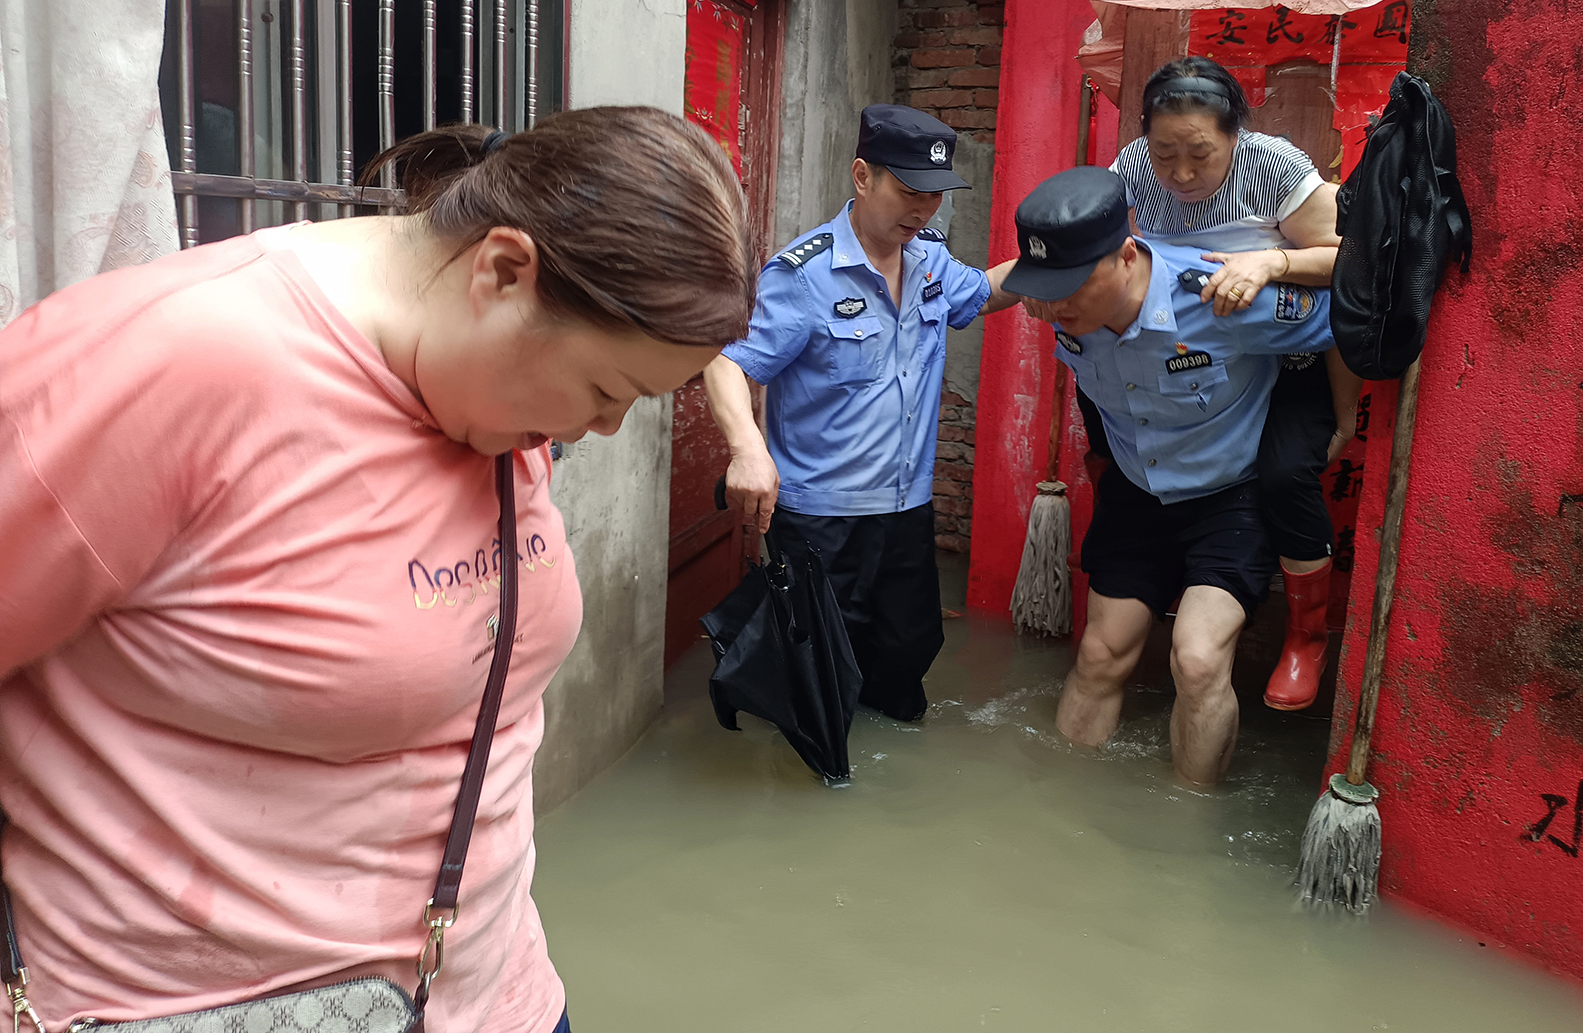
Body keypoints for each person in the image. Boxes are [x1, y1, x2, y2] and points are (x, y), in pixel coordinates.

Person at [0, 109, 754, 1033]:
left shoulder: (491, 392)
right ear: (503, 270)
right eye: (606, 391)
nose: (600, 430)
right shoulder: (164, 362)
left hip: (497, 990)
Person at [1003, 167, 1337, 786]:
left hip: (1229, 496)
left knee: (1198, 660)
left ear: (1127, 256)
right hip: (1138, 490)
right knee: (1099, 655)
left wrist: (1331, 422)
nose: (1055, 306)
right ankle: (1056, 804)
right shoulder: (1058, 305)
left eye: (1071, 285)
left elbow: (1350, 317)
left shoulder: (1221, 297)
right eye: (1044, 288)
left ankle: (1191, 815)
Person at [705, 105, 1021, 722]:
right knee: (819, 679)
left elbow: (984, 293)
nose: (923, 210)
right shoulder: (804, 275)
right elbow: (728, 364)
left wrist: (1069, 253)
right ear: (861, 176)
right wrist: (747, 450)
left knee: (909, 650)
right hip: (822, 518)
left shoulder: (929, 260)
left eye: (934, 195)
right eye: (908, 191)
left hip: (905, 509)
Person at [1105, 57, 1359, 713]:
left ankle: (1306, 637)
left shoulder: (1274, 167)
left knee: (1284, 474)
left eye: (1200, 154)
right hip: (1192, 357)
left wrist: (1272, 260)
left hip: (1284, 351)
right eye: (1165, 154)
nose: (1181, 174)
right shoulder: (1132, 168)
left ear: (1235, 136)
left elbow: (1354, 263)